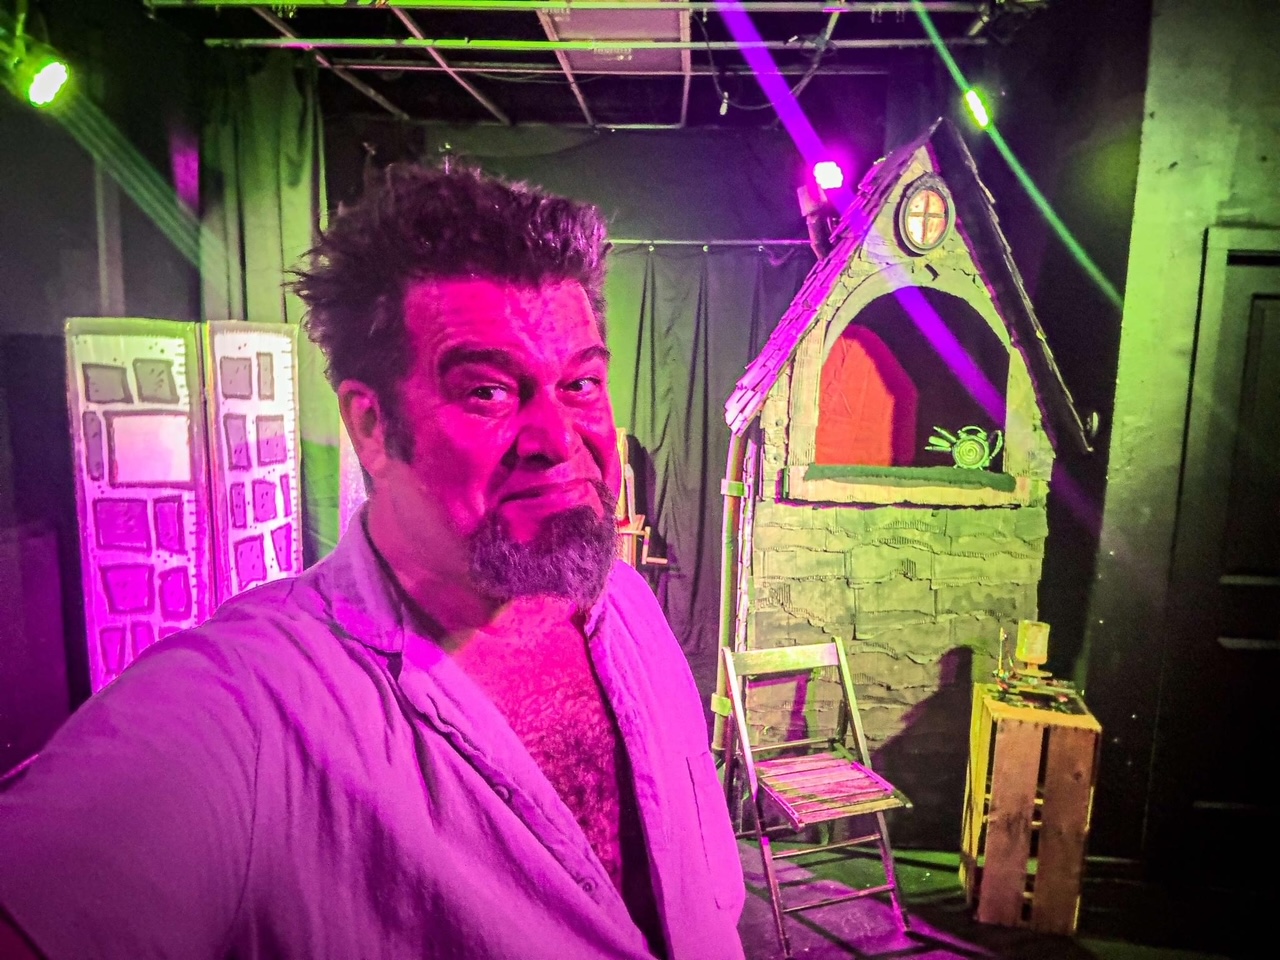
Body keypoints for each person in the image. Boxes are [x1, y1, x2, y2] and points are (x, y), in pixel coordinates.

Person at [0, 164, 745, 960]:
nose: (559, 440)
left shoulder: (626, 605)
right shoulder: (250, 705)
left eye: (581, 383)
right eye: (488, 392)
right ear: (371, 425)